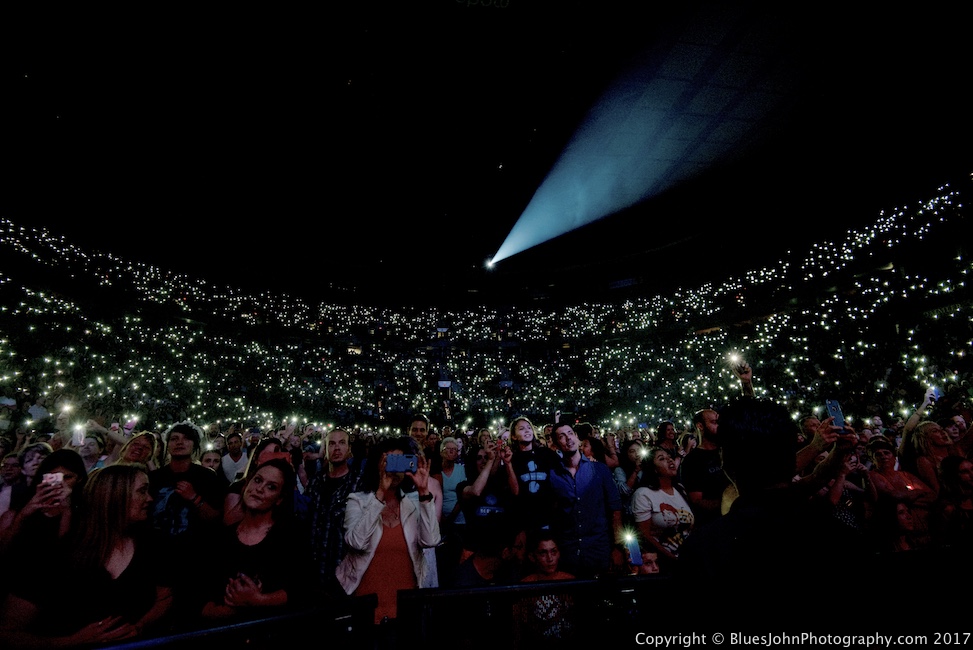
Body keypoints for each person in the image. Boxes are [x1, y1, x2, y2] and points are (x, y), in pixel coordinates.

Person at [0, 463, 172, 648]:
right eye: (142, 491)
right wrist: (71, 642)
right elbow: (8, 631)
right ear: (113, 497)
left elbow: (165, 596)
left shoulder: (152, 544)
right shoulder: (58, 554)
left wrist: (140, 626)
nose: (150, 498)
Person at [336, 436, 440, 628]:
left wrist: (424, 492)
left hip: (405, 603)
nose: (394, 469)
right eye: (389, 461)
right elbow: (356, 542)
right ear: (378, 464)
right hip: (366, 603)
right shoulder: (358, 501)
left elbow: (431, 540)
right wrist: (380, 494)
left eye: (400, 462)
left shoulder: (413, 506)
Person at [198, 457, 311, 623]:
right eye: (257, 480)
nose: (259, 489)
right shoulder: (220, 537)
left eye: (271, 487)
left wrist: (258, 600)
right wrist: (226, 611)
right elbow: (202, 594)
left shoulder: (291, 537)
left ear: (279, 498)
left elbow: (301, 590)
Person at [548, 419, 623, 579]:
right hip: (569, 550)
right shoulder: (553, 475)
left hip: (599, 548)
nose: (568, 438)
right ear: (555, 444)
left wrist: (618, 547)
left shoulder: (599, 470)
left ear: (576, 437)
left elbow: (615, 510)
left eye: (570, 433)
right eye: (562, 436)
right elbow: (554, 513)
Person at [307, 427, 364, 595]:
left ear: (349, 449)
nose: (337, 448)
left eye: (342, 443)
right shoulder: (315, 483)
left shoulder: (359, 485)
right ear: (325, 449)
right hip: (313, 569)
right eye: (331, 443)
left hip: (344, 571)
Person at [631, 446, 695, 563]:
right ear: (653, 469)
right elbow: (644, 535)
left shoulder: (680, 489)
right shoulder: (643, 495)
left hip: (689, 557)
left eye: (670, 457)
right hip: (663, 561)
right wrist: (673, 559)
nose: (670, 460)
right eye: (662, 459)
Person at [508, 415, 562, 532]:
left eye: (528, 427)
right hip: (524, 518)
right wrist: (508, 464)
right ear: (513, 436)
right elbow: (515, 492)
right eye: (521, 429)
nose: (527, 430)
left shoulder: (546, 454)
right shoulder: (513, 458)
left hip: (549, 517)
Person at [677, 408, 728, 529]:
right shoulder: (693, 460)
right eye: (714, 422)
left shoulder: (727, 451)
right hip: (715, 525)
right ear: (700, 426)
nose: (719, 426)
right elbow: (697, 501)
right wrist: (729, 503)